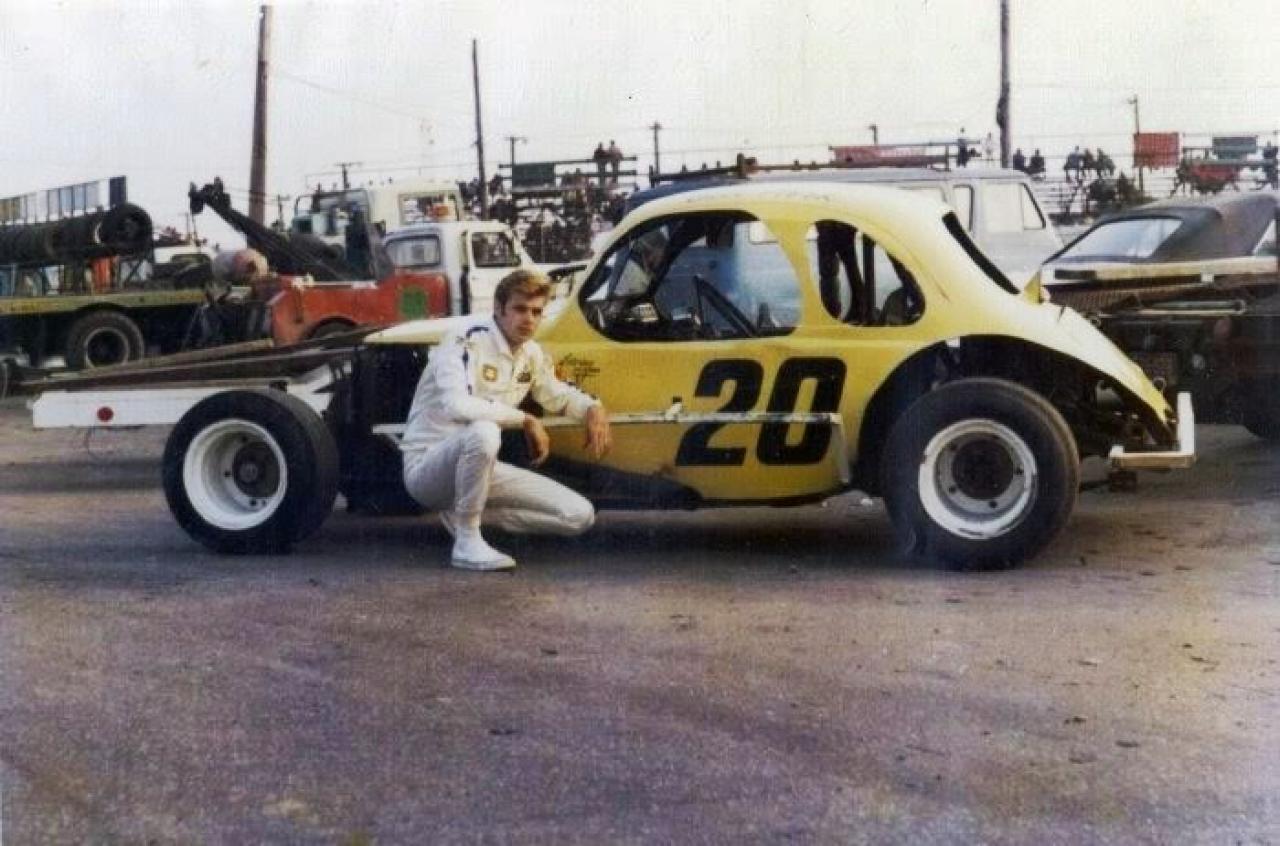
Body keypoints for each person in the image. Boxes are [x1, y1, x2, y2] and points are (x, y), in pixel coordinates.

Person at [401, 269, 612, 571]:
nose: (528, 319)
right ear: (499, 309)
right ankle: (466, 542)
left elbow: (556, 394)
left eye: (536, 312)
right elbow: (457, 405)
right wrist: (525, 419)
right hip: (429, 468)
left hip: (480, 470)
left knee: (579, 515)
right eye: (520, 309)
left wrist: (592, 407)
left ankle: (464, 516)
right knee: (484, 431)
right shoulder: (465, 338)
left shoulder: (531, 353)